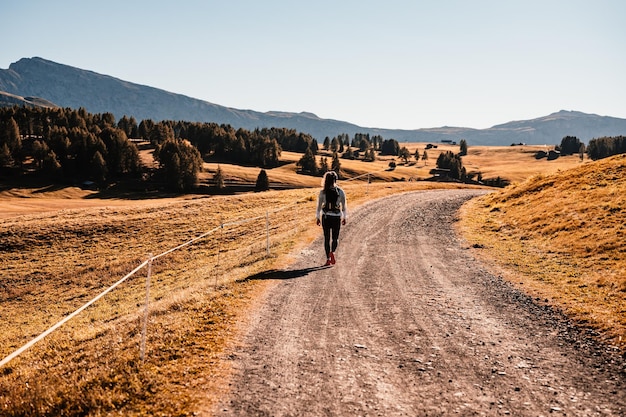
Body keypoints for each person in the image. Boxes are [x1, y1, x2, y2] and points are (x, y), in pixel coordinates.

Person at [316, 171, 348, 266]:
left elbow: (318, 206)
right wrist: (344, 217)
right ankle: (332, 252)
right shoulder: (340, 191)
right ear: (335, 180)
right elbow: (344, 206)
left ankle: (328, 259)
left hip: (326, 217)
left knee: (326, 238)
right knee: (335, 238)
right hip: (336, 216)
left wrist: (317, 217)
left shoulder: (323, 192)